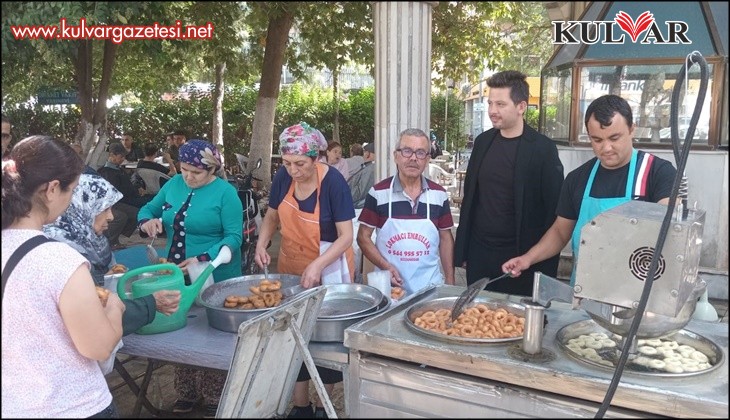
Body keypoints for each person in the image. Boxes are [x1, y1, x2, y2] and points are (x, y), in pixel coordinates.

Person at [2, 135, 125, 418]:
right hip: (73, 406)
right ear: (52, 189)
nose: (70, 201)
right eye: (71, 191)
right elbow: (98, 346)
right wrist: (115, 308)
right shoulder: (59, 260)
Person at [502, 94, 677, 286]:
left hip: (639, 291)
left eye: (614, 138)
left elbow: (671, 223)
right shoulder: (578, 179)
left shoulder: (657, 172)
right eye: (597, 140)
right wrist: (527, 258)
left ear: (632, 129)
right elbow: (561, 231)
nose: (606, 147)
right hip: (585, 289)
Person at [255, 122, 355, 419]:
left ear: (316, 158)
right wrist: (262, 243)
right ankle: (300, 407)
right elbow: (272, 216)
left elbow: (346, 236)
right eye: (286, 163)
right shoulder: (283, 178)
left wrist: (318, 265)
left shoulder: (334, 183)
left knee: (325, 338)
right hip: (292, 264)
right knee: (293, 334)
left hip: (330, 266)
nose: (293, 170)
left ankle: (324, 405)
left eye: (300, 163)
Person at [137, 139, 242, 417]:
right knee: (179, 327)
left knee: (211, 333)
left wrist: (204, 257)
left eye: (196, 172)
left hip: (214, 273)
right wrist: (147, 221)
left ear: (212, 170)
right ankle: (186, 390)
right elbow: (147, 209)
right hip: (175, 273)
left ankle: (214, 394)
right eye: (184, 169)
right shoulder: (173, 185)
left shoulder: (225, 193)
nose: (188, 176)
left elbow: (234, 236)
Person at [453, 70, 564, 297]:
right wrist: (463, 251)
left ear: (521, 106)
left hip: (522, 260)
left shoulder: (543, 149)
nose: (493, 111)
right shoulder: (483, 141)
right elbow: (471, 199)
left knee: (517, 326)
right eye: (490, 103)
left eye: (501, 104)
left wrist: (536, 263)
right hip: (480, 255)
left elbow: (554, 214)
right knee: (478, 322)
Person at [43, 173, 181, 335]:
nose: (111, 216)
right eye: (104, 208)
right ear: (82, 207)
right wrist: (150, 305)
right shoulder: (62, 252)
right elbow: (92, 315)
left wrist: (108, 277)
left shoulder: (90, 242)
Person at [357, 128, 456, 295]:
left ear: (427, 159)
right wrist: (385, 265)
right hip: (390, 290)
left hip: (430, 289)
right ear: (396, 155)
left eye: (420, 153)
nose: (413, 158)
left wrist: (450, 282)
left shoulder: (439, 195)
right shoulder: (378, 193)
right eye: (407, 151)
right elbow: (363, 237)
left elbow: (446, 238)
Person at [347, 142, 376, 209]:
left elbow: (359, 192)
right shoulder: (370, 168)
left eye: (364, 152)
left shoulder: (370, 169)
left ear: (367, 154)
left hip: (357, 207)